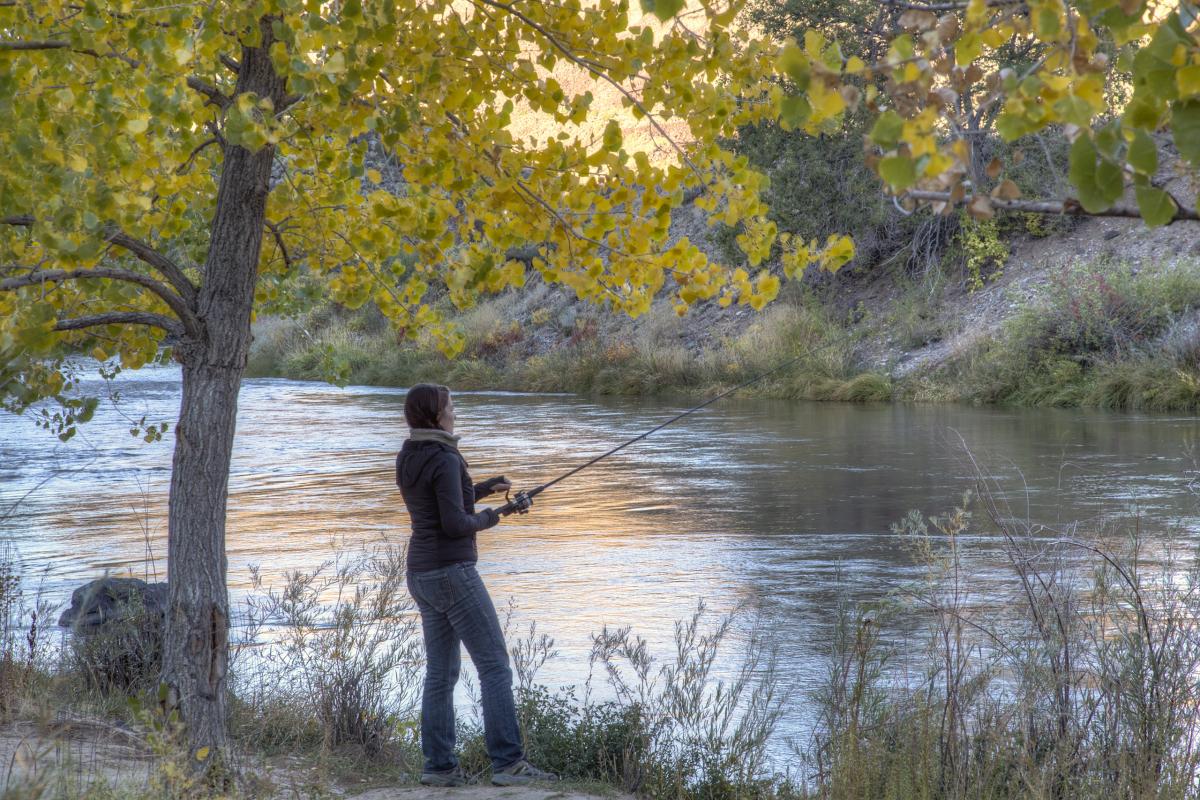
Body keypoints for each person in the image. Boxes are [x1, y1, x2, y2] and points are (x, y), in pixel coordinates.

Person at [396, 383, 557, 786]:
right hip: (452, 573)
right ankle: (508, 764)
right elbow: (454, 523)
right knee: (495, 666)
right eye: (450, 405)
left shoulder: (410, 453)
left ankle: (439, 768)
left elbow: (440, 501)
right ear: (436, 415)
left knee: (440, 673)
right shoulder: (446, 457)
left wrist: (482, 487)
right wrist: (497, 514)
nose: (455, 410)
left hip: (421, 574)